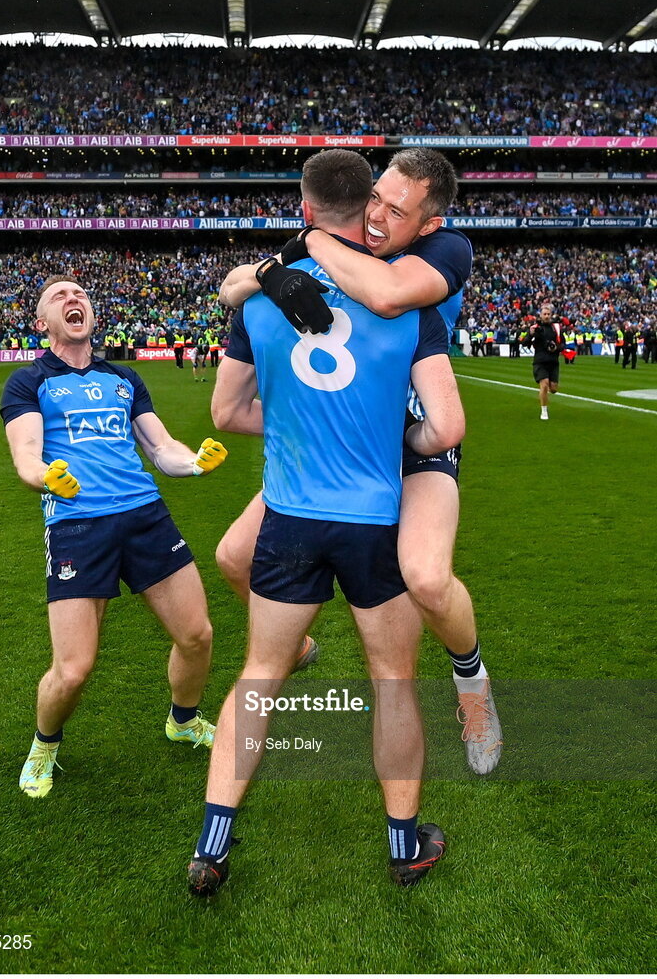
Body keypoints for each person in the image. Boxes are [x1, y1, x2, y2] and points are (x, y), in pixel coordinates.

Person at [189, 149, 465, 897]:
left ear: (305, 211)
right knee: (392, 683)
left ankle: (212, 845)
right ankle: (404, 845)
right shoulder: (409, 305)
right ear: (365, 206)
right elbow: (442, 428)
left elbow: (225, 413)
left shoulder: (258, 299)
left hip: (291, 517)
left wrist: (293, 426)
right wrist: (387, 438)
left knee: (259, 676)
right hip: (374, 519)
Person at [217, 148, 501, 776]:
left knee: (425, 577)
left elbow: (389, 294)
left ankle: (471, 680)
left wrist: (307, 246)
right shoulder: (340, 241)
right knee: (234, 557)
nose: (376, 216)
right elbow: (231, 286)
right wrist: (266, 275)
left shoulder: (446, 251)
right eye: (376, 197)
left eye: (396, 211)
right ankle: (297, 645)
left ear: (428, 224)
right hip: (340, 441)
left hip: (414, 434)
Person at [0, 275, 228, 799]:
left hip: (146, 516)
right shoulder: (28, 382)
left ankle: (184, 720)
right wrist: (45, 476)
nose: (73, 299)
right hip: (78, 526)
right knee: (75, 668)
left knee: (198, 637)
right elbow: (26, 456)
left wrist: (193, 463)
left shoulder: (124, 378)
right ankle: (45, 743)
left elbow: (161, 447)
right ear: (42, 323)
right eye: (59, 296)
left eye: (79, 294)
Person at [529, 303, 563, 420]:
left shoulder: (556, 328)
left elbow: (562, 344)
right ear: (541, 315)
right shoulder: (536, 328)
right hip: (540, 361)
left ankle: (547, 390)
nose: (547, 316)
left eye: (548, 314)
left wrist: (556, 348)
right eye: (545, 314)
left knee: (553, 388)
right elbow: (525, 342)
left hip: (553, 362)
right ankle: (544, 411)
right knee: (544, 385)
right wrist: (530, 334)